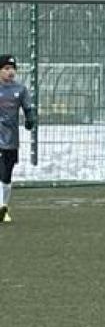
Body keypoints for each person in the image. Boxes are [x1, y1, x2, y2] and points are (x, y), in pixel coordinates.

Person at [0, 54, 38, 224]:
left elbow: (28, 107)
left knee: (6, 175)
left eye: (12, 69)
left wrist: (30, 119)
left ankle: (3, 207)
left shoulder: (20, 90)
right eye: (6, 68)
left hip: (10, 139)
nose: (10, 72)